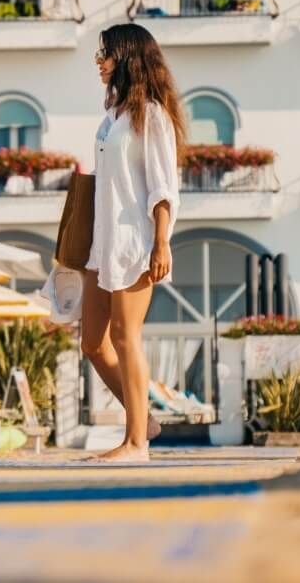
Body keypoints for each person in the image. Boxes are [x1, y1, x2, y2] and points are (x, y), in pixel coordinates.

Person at [82, 23, 185, 463]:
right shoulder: (114, 117)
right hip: (100, 243)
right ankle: (144, 421)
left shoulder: (152, 115)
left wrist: (161, 242)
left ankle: (136, 444)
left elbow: (163, 186)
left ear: (126, 57)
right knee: (92, 342)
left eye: (106, 54)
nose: (100, 63)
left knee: (127, 338)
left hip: (134, 241)